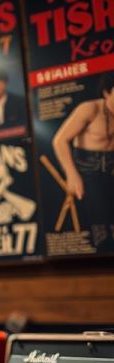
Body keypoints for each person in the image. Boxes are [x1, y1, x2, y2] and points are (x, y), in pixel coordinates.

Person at [51, 72, 114, 247]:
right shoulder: (90, 109)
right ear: (107, 93)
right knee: (100, 222)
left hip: (111, 166)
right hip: (87, 168)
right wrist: (71, 174)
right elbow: (60, 140)